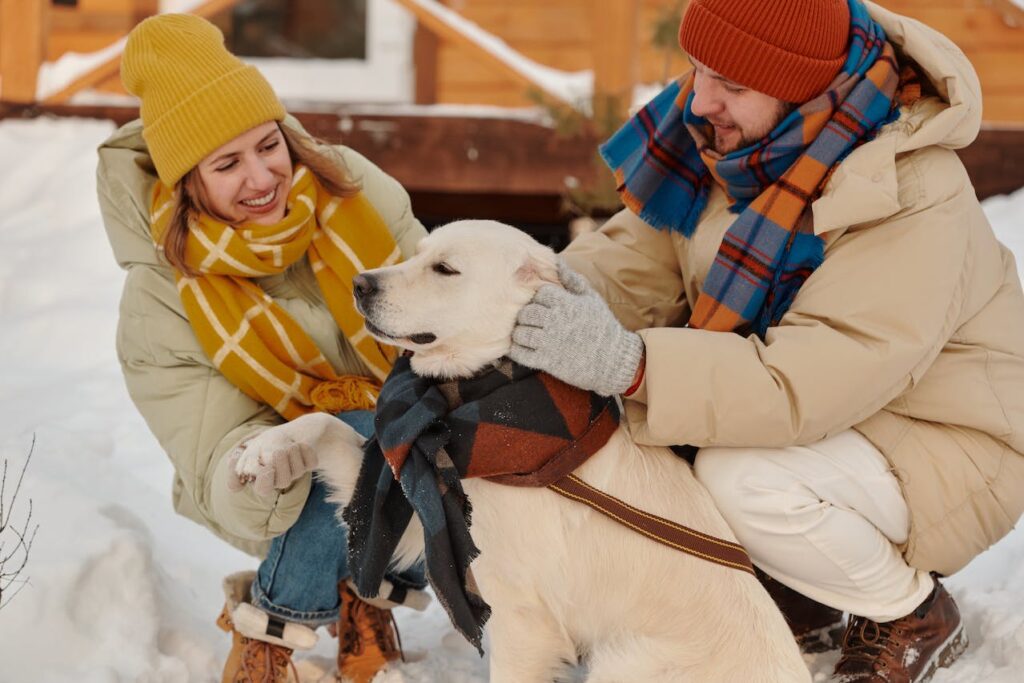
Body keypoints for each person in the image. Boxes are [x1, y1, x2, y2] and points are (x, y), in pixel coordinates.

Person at [510, 0, 1024, 680]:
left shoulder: (911, 189)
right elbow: (631, 265)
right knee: (640, 433)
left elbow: (805, 381)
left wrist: (631, 364)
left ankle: (910, 609)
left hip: (946, 439)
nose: (699, 100)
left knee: (737, 475)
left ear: (802, 84)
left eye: (731, 84)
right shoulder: (735, 145)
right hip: (827, 419)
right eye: (695, 70)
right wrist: (514, 305)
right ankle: (798, 589)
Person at [96, 14, 429, 683]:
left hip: (397, 430)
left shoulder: (349, 189)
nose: (261, 178)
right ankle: (267, 645)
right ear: (189, 180)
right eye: (227, 164)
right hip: (274, 480)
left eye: (268, 145)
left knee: (437, 435)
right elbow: (209, 440)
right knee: (333, 443)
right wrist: (258, 472)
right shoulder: (164, 298)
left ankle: (363, 596)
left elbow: (435, 315)